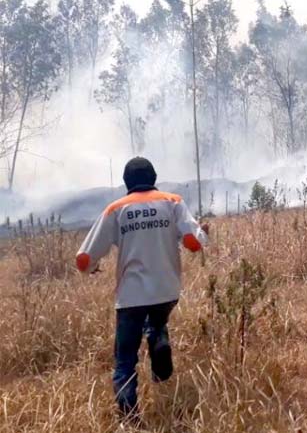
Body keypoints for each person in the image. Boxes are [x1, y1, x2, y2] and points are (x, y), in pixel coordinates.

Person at [75, 157, 208, 424]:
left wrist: (92, 268)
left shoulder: (116, 209)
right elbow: (193, 243)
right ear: (154, 177)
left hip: (131, 297)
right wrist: (203, 233)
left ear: (126, 182)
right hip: (166, 292)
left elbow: (83, 260)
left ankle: (129, 419)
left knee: (125, 361)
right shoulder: (172, 202)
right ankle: (158, 337)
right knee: (157, 321)